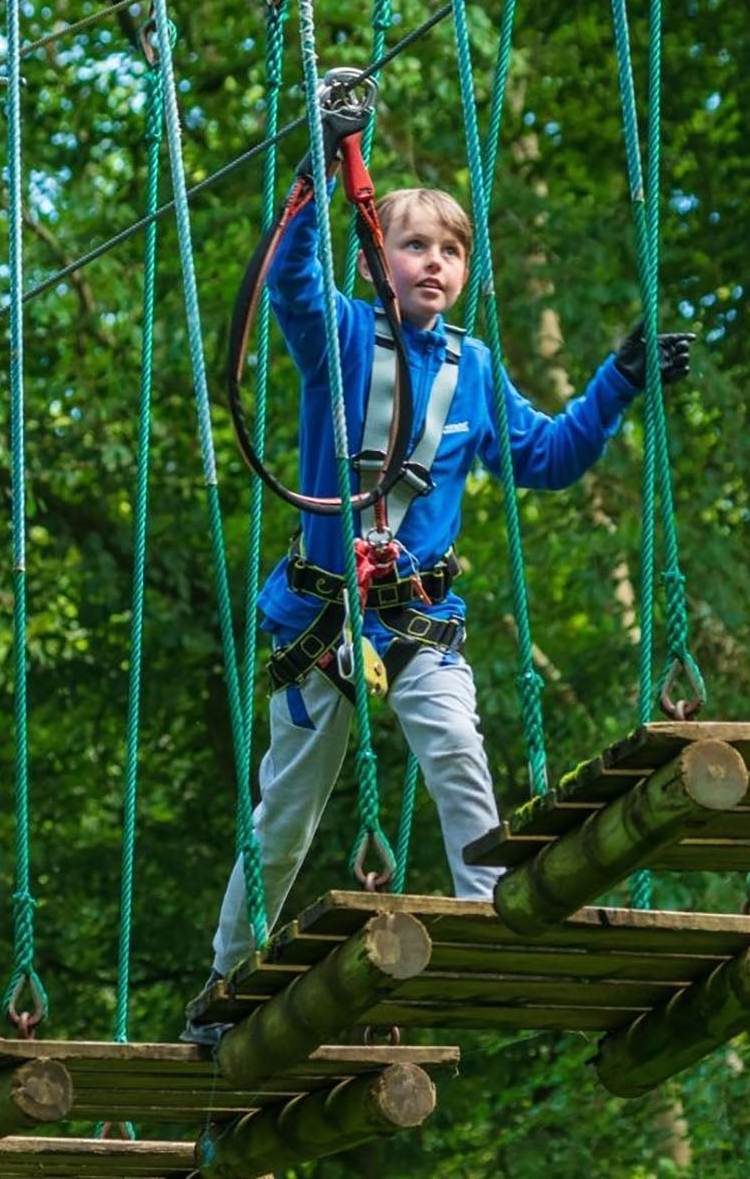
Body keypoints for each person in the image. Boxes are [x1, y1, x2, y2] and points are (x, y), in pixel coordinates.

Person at [187, 68, 691, 1042]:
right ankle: (225, 976)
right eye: (414, 243)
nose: (432, 262)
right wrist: (326, 160)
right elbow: (286, 278)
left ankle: (496, 912)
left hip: (417, 622)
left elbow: (547, 457)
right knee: (284, 815)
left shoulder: (474, 370)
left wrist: (617, 382)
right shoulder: (339, 333)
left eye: (450, 251)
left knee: (461, 755)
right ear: (382, 251)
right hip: (324, 621)